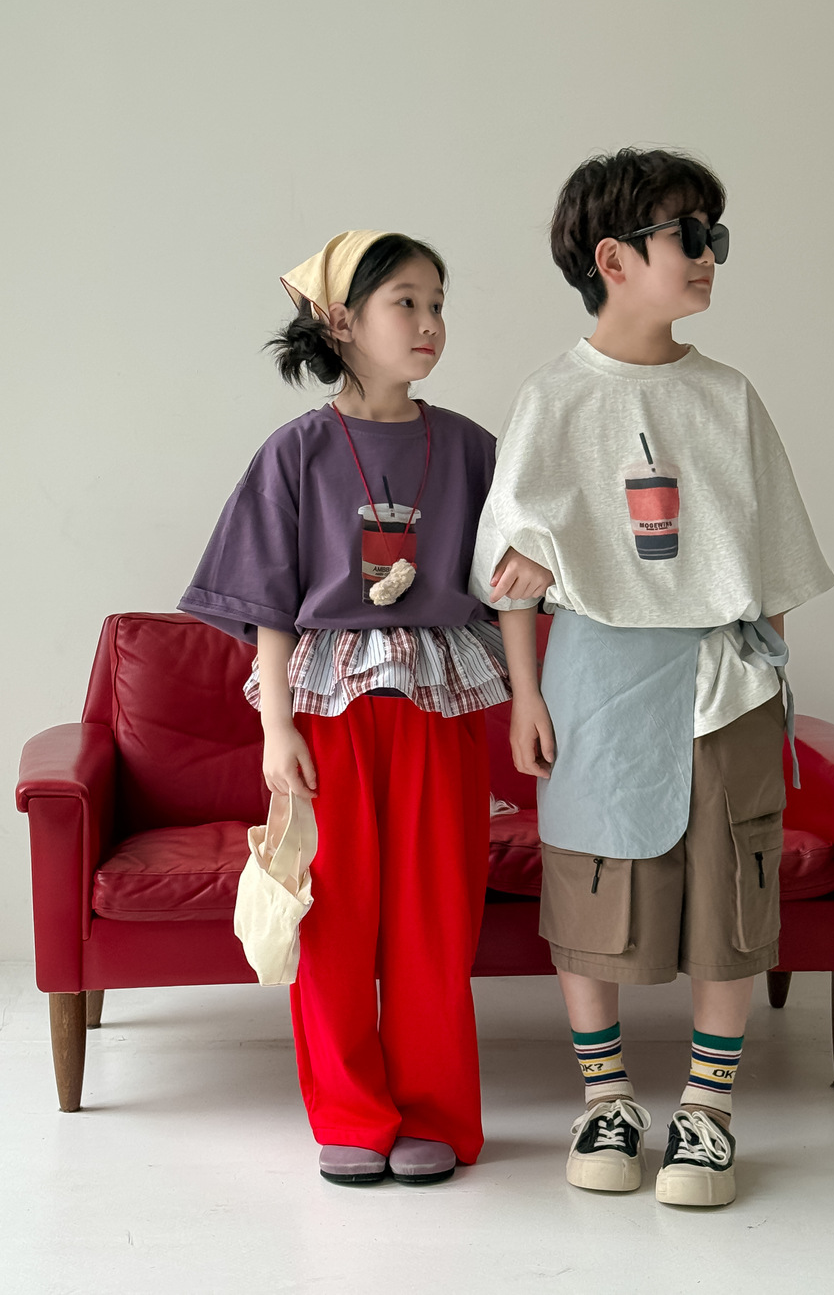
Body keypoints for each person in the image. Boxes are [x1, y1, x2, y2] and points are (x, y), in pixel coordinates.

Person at [471, 148, 834, 1207]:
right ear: (614, 259)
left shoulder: (728, 397)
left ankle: (708, 1113)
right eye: (690, 234)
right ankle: (607, 1099)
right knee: (593, 888)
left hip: (725, 682)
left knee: (733, 892)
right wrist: (527, 694)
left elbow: (771, 564)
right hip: (594, 677)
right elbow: (511, 570)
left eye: (716, 234)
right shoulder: (553, 398)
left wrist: (770, 693)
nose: (710, 253)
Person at [179, 230, 508, 1187]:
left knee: (436, 921)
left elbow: (516, 583)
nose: (430, 322)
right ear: (341, 321)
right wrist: (276, 728)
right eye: (406, 301)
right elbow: (267, 600)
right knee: (333, 922)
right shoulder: (298, 451)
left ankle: (434, 1113)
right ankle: (352, 1115)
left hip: (441, 710)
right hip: (328, 715)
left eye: (438, 303)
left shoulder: (472, 448)